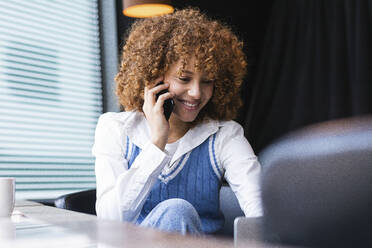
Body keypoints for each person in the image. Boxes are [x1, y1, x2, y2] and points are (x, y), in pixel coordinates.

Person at [92, 8, 262, 235]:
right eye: (184, 78)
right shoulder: (115, 128)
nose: (196, 93)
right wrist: (157, 143)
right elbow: (110, 220)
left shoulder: (224, 135)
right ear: (153, 78)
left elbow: (260, 206)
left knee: (177, 212)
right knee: (176, 211)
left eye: (207, 81)